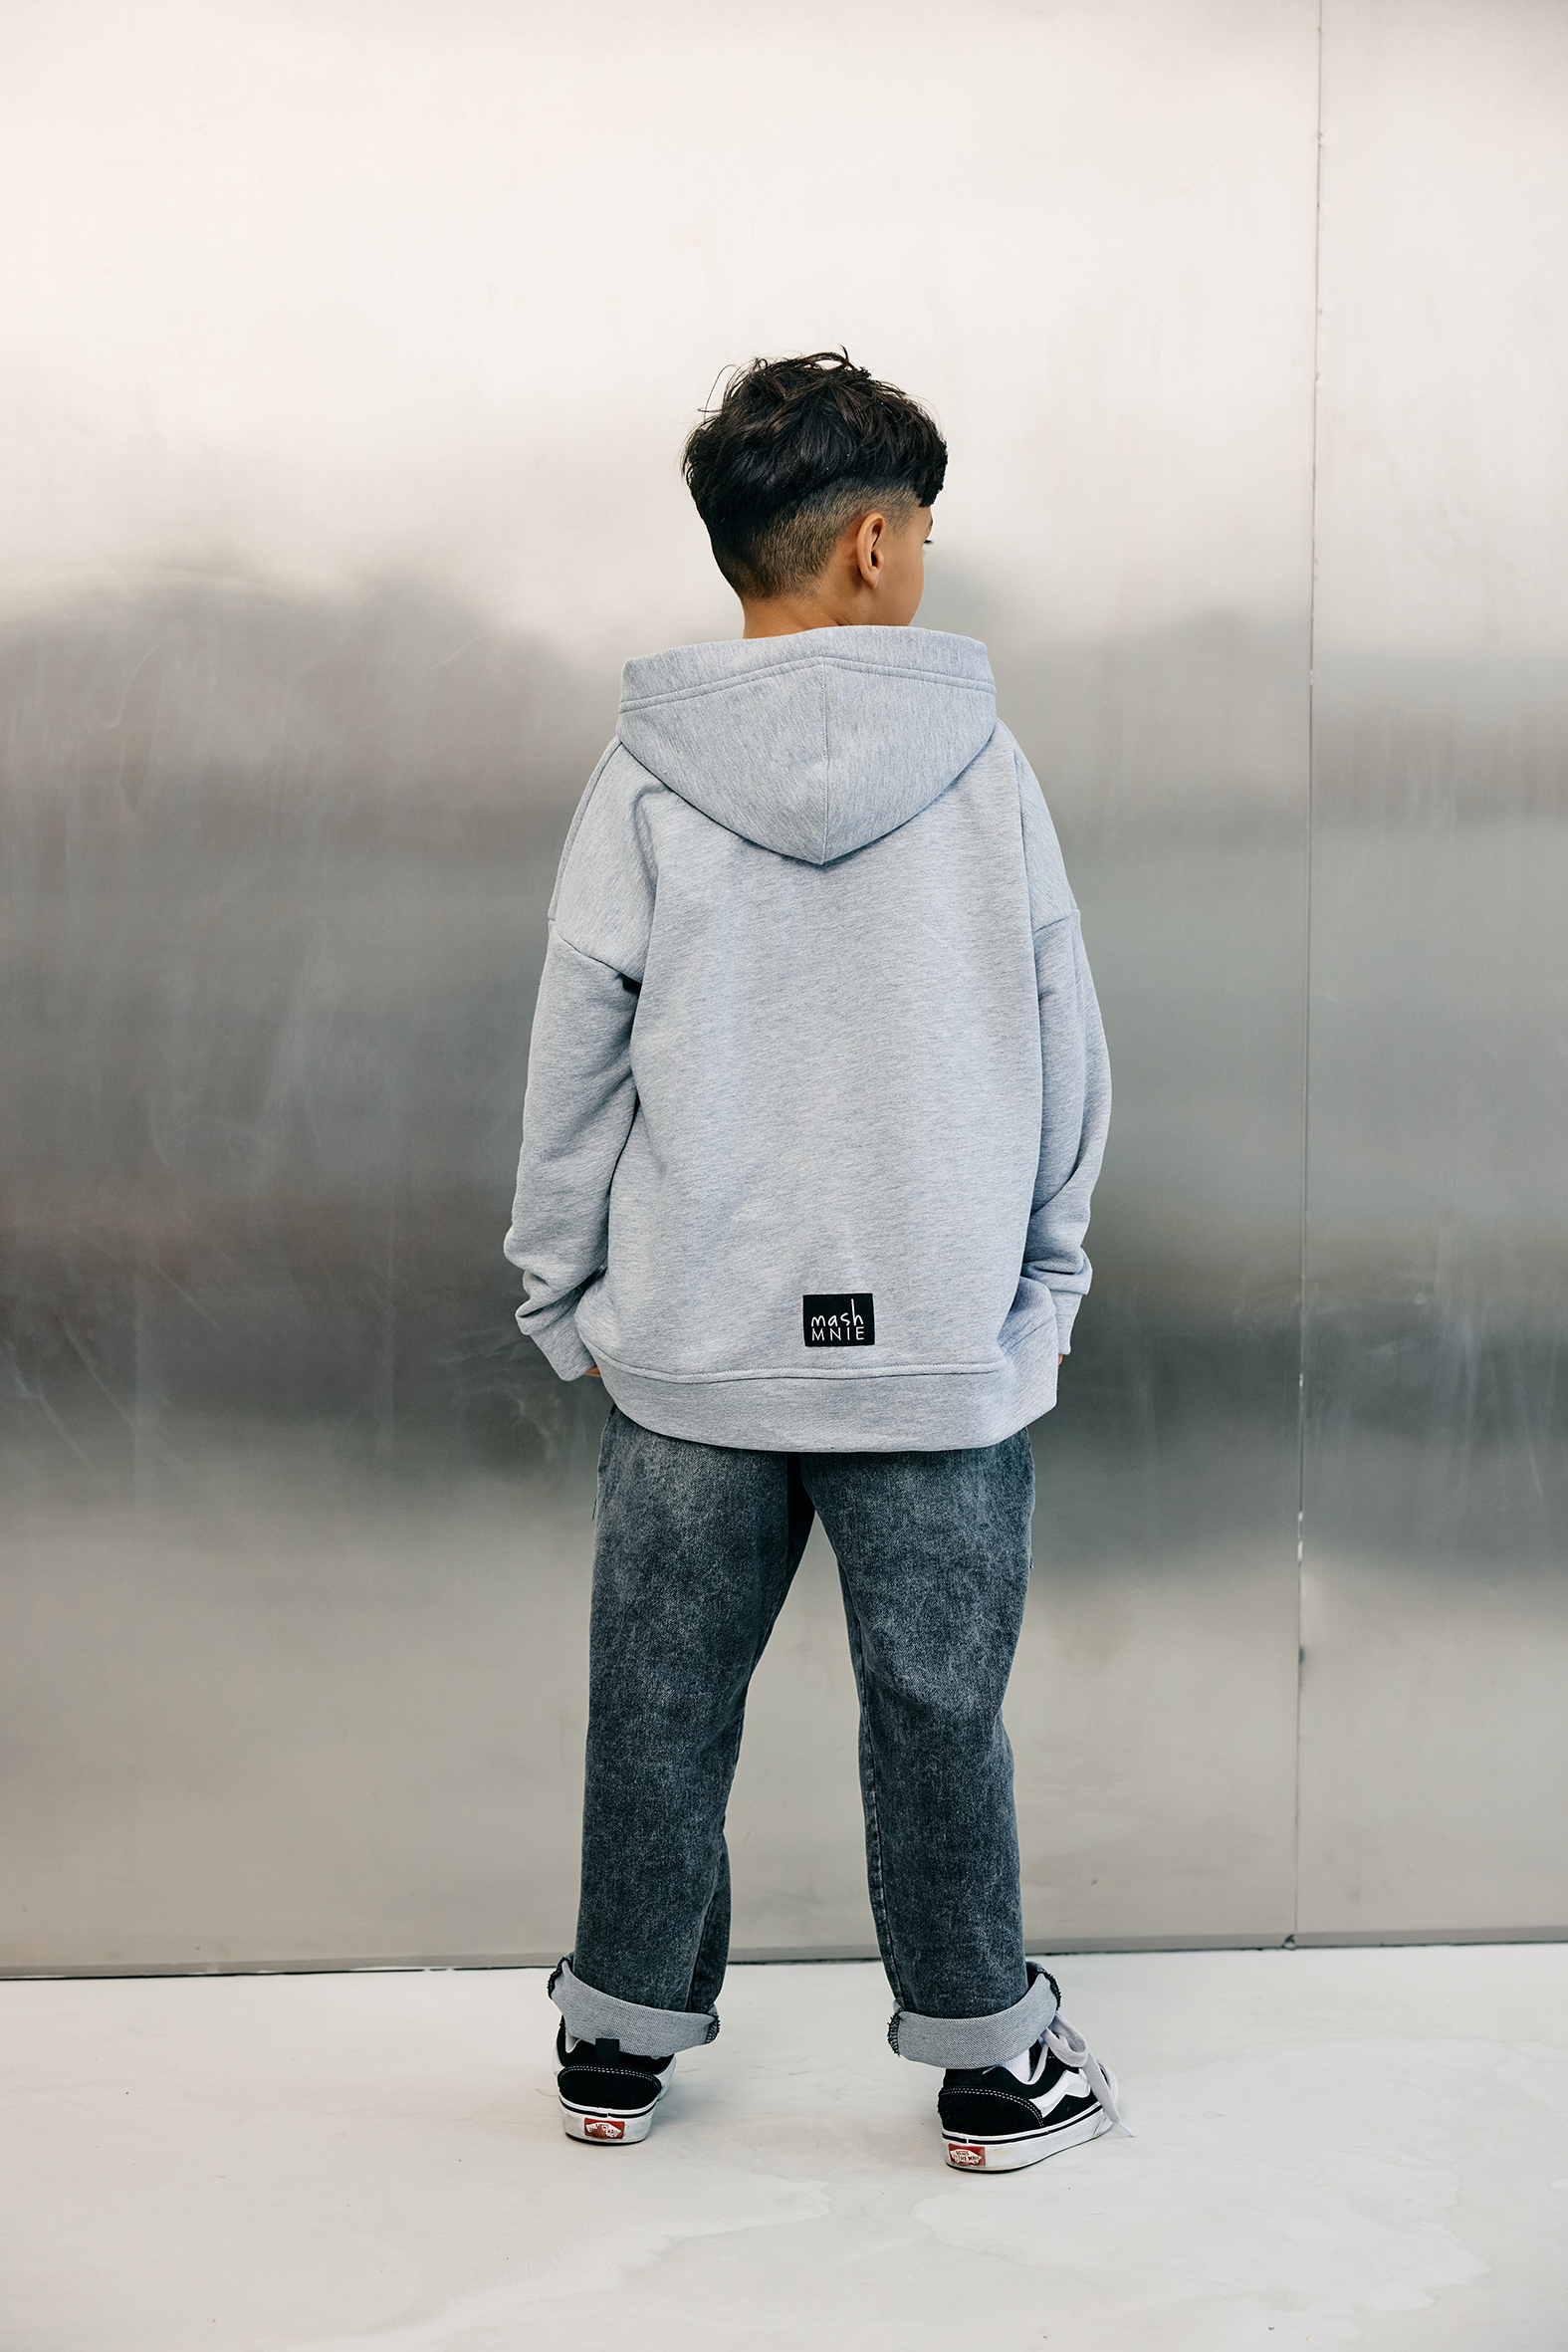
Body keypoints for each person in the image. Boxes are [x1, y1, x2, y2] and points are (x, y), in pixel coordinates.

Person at [505, 352, 1122, 2172]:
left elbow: (575, 1054)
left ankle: (617, 2042)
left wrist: (563, 1295)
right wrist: (1038, 1289)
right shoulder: (984, 765)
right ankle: (993, 2065)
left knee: (659, 1705)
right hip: (933, 1346)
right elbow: (1064, 1044)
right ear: (871, 542)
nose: (923, 552)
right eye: (920, 525)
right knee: (940, 1708)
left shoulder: (643, 770)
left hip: (689, 1346)